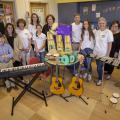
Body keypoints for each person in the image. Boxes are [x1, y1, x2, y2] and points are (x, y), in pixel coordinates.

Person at [93, 17, 113, 86]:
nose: (101, 24)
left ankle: (100, 80)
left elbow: (110, 44)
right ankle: (100, 77)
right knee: (98, 66)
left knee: (99, 67)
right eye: (100, 23)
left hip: (103, 54)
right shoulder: (96, 32)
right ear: (98, 24)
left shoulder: (108, 32)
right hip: (96, 53)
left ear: (105, 23)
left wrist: (107, 55)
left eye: (103, 23)